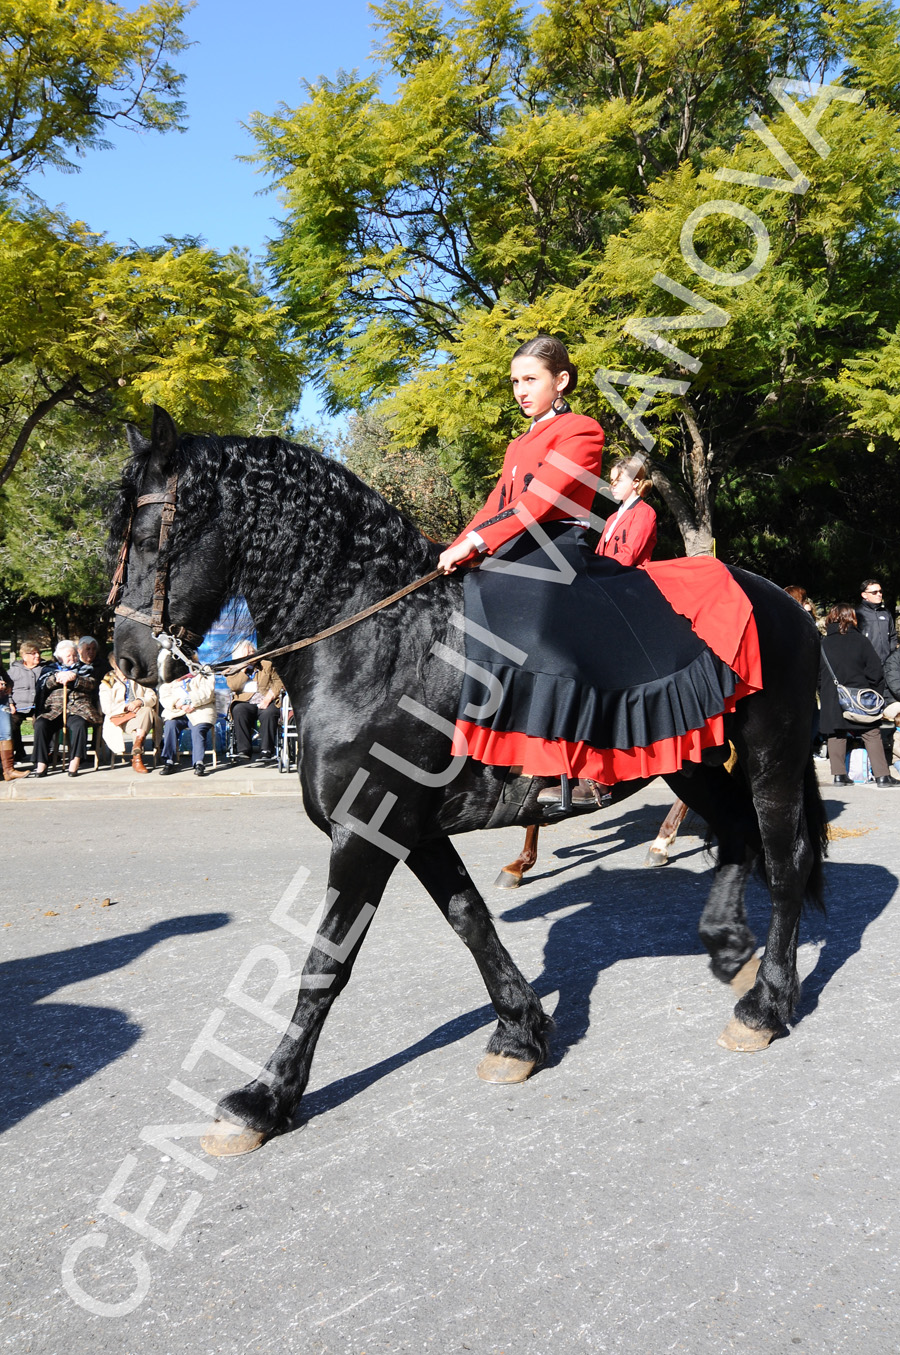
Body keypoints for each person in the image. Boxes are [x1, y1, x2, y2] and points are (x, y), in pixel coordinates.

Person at [437, 335, 604, 575]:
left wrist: (474, 542)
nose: (521, 391)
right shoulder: (516, 444)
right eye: (515, 382)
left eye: (530, 380)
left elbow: (538, 500)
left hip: (555, 550)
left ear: (561, 380)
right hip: (511, 545)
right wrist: (456, 548)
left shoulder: (580, 429)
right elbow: (494, 506)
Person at [819, 603, 896, 788]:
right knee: (871, 733)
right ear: (852, 618)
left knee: (836, 734)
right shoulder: (861, 641)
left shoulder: (823, 643)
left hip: (832, 696)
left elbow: (818, 675)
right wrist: (874, 695)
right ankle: (882, 776)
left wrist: (825, 692)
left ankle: (839, 776)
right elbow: (875, 672)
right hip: (860, 696)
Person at [31, 639, 102, 777]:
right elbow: (43, 685)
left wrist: (75, 678)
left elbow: (92, 684)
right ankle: (41, 763)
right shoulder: (50, 669)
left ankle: (75, 761)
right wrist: (57, 677)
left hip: (78, 708)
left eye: (74, 655)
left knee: (79, 725)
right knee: (41, 724)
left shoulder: (86, 669)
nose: (73, 658)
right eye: (69, 656)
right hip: (55, 710)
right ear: (60, 657)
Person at [99, 654, 160, 773]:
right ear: (115, 665)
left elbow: (152, 696)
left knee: (147, 710)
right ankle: (137, 751)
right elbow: (106, 708)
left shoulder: (137, 677)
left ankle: (137, 752)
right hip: (120, 718)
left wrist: (139, 701)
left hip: (140, 714)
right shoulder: (107, 682)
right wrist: (126, 707)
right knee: (139, 726)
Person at [226, 641, 283, 763]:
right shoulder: (233, 669)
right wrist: (243, 669)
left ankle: (266, 750)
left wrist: (269, 697)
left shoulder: (266, 665)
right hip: (245, 701)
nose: (251, 655)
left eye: (252, 652)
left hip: (265, 700)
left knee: (270, 713)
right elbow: (234, 686)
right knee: (238, 710)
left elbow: (278, 682)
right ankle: (244, 750)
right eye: (247, 653)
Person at [595, 455, 657, 567]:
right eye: (612, 480)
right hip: (607, 577)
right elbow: (599, 553)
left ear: (635, 482)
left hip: (630, 578)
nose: (613, 485)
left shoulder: (644, 512)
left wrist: (601, 569)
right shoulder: (612, 518)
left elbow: (629, 555)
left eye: (619, 480)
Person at [158, 669, 216, 776]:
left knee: (198, 729)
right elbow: (164, 695)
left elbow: (207, 692)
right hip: (177, 711)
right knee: (170, 725)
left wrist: (190, 701)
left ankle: (199, 763)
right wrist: (179, 704)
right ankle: (169, 762)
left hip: (200, 710)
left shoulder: (205, 671)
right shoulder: (171, 675)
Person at [6, 641, 46, 766]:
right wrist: (11, 703)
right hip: (18, 705)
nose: (37, 656)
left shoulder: (44, 669)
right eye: (33, 653)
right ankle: (18, 752)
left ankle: (41, 754)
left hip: (39, 705)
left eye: (38, 653)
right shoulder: (14, 671)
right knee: (11, 723)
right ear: (24, 656)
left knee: (42, 722)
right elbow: (7, 689)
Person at [856, 580, 897, 664]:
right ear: (864, 595)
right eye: (874, 592)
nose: (879, 594)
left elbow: (892, 636)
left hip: (887, 663)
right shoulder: (857, 613)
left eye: (880, 591)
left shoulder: (886, 613)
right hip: (866, 664)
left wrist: (892, 654)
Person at [0, 659, 29, 780]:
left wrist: (8, 686)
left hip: (2, 701)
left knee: (6, 734)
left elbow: (7, 678)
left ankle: (9, 770)